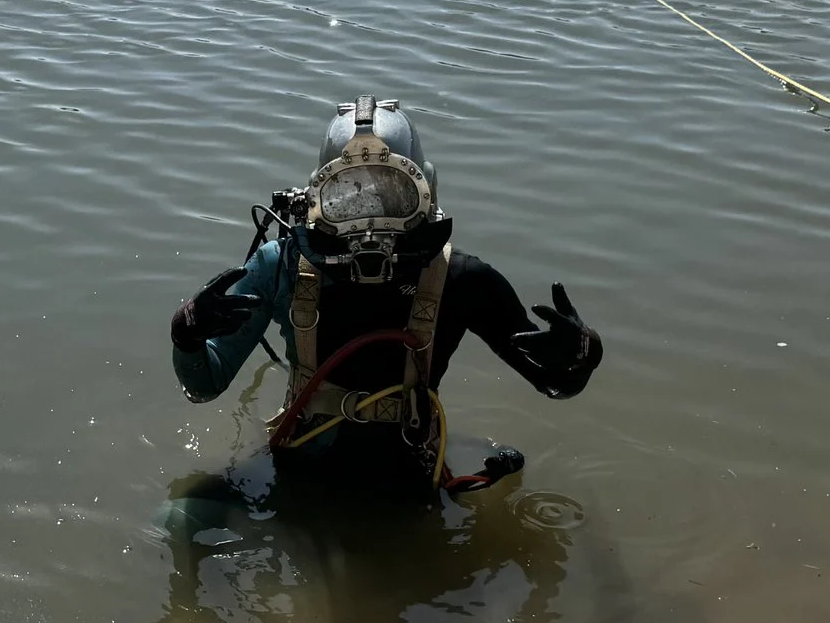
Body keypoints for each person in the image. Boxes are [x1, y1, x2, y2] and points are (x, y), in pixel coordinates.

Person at [169, 98, 602, 495]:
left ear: (425, 194)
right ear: (317, 199)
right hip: (298, 475)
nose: (371, 219)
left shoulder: (462, 279)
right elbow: (205, 384)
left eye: (393, 196)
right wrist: (187, 334)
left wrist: (581, 355)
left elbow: (555, 383)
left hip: (409, 484)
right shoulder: (281, 266)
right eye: (350, 198)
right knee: (180, 511)